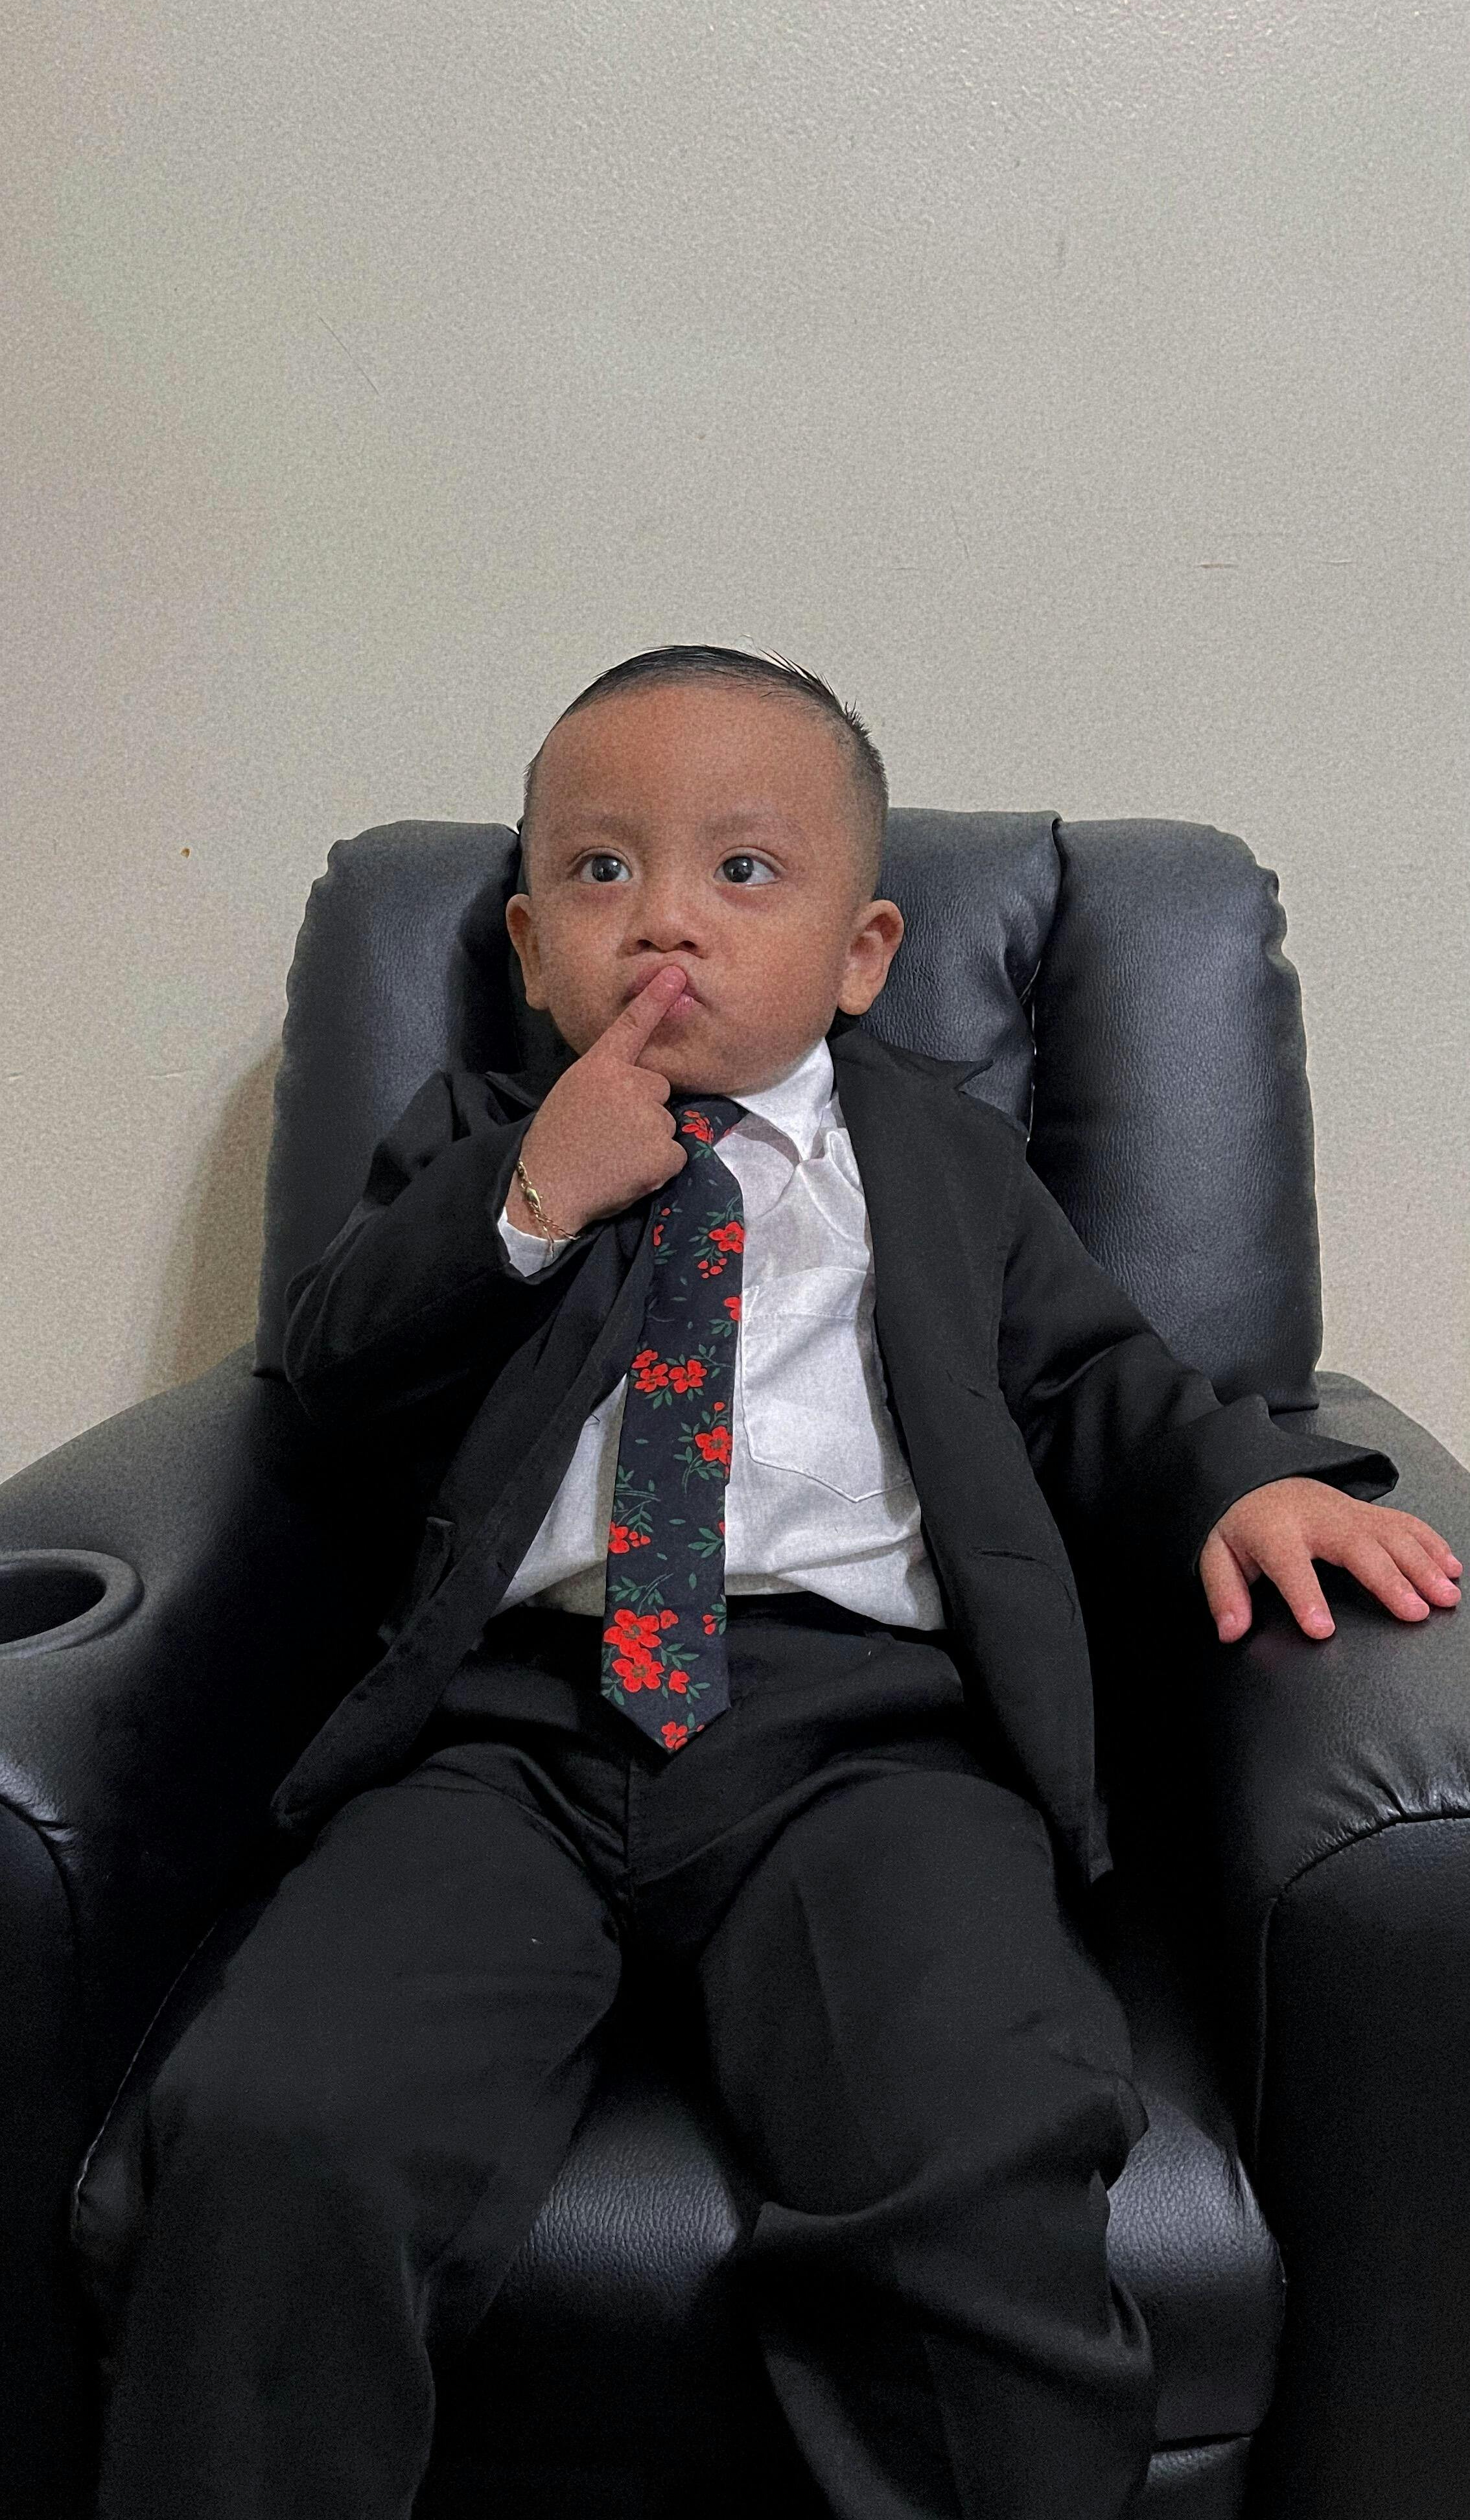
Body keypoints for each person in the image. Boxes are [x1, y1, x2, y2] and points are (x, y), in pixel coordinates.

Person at [88, 645, 1462, 2520]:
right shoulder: (477, 1148)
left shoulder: (944, 1164)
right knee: (279, 2131)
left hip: (866, 1744)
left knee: (974, 2150)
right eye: (600, 872)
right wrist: (531, 1201)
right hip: (509, 1736)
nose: (665, 919)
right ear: (528, 947)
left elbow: (1095, 1379)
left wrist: (1244, 1486)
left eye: (743, 872)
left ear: (862, 952)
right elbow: (330, 1376)